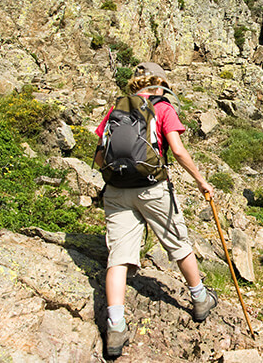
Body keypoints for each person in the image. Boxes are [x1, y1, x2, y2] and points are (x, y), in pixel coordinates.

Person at [93, 62, 217, 357]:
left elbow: (99, 156)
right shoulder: (162, 108)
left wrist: (122, 173)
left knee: (119, 257)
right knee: (177, 242)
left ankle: (115, 326)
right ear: (158, 84)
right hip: (153, 188)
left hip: (117, 191)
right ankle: (200, 299)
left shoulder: (115, 110)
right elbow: (177, 150)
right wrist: (201, 181)